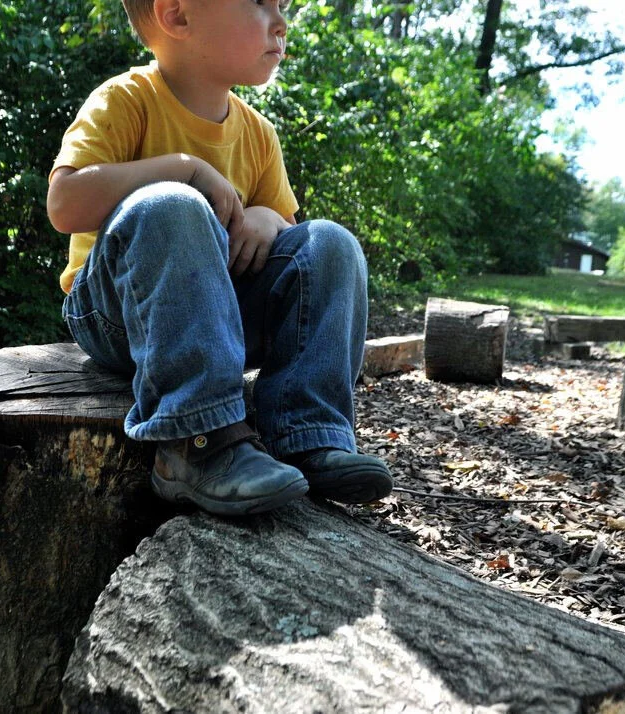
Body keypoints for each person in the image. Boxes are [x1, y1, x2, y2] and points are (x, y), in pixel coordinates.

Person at [45, 0, 393, 516]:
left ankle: (306, 434)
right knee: (172, 204)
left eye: (282, 6)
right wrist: (183, 169)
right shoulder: (126, 100)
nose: (281, 22)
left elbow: (298, 260)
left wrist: (267, 219)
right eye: (260, 4)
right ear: (178, 16)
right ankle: (196, 442)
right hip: (118, 317)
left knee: (332, 243)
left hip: (223, 318)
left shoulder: (257, 133)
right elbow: (64, 203)